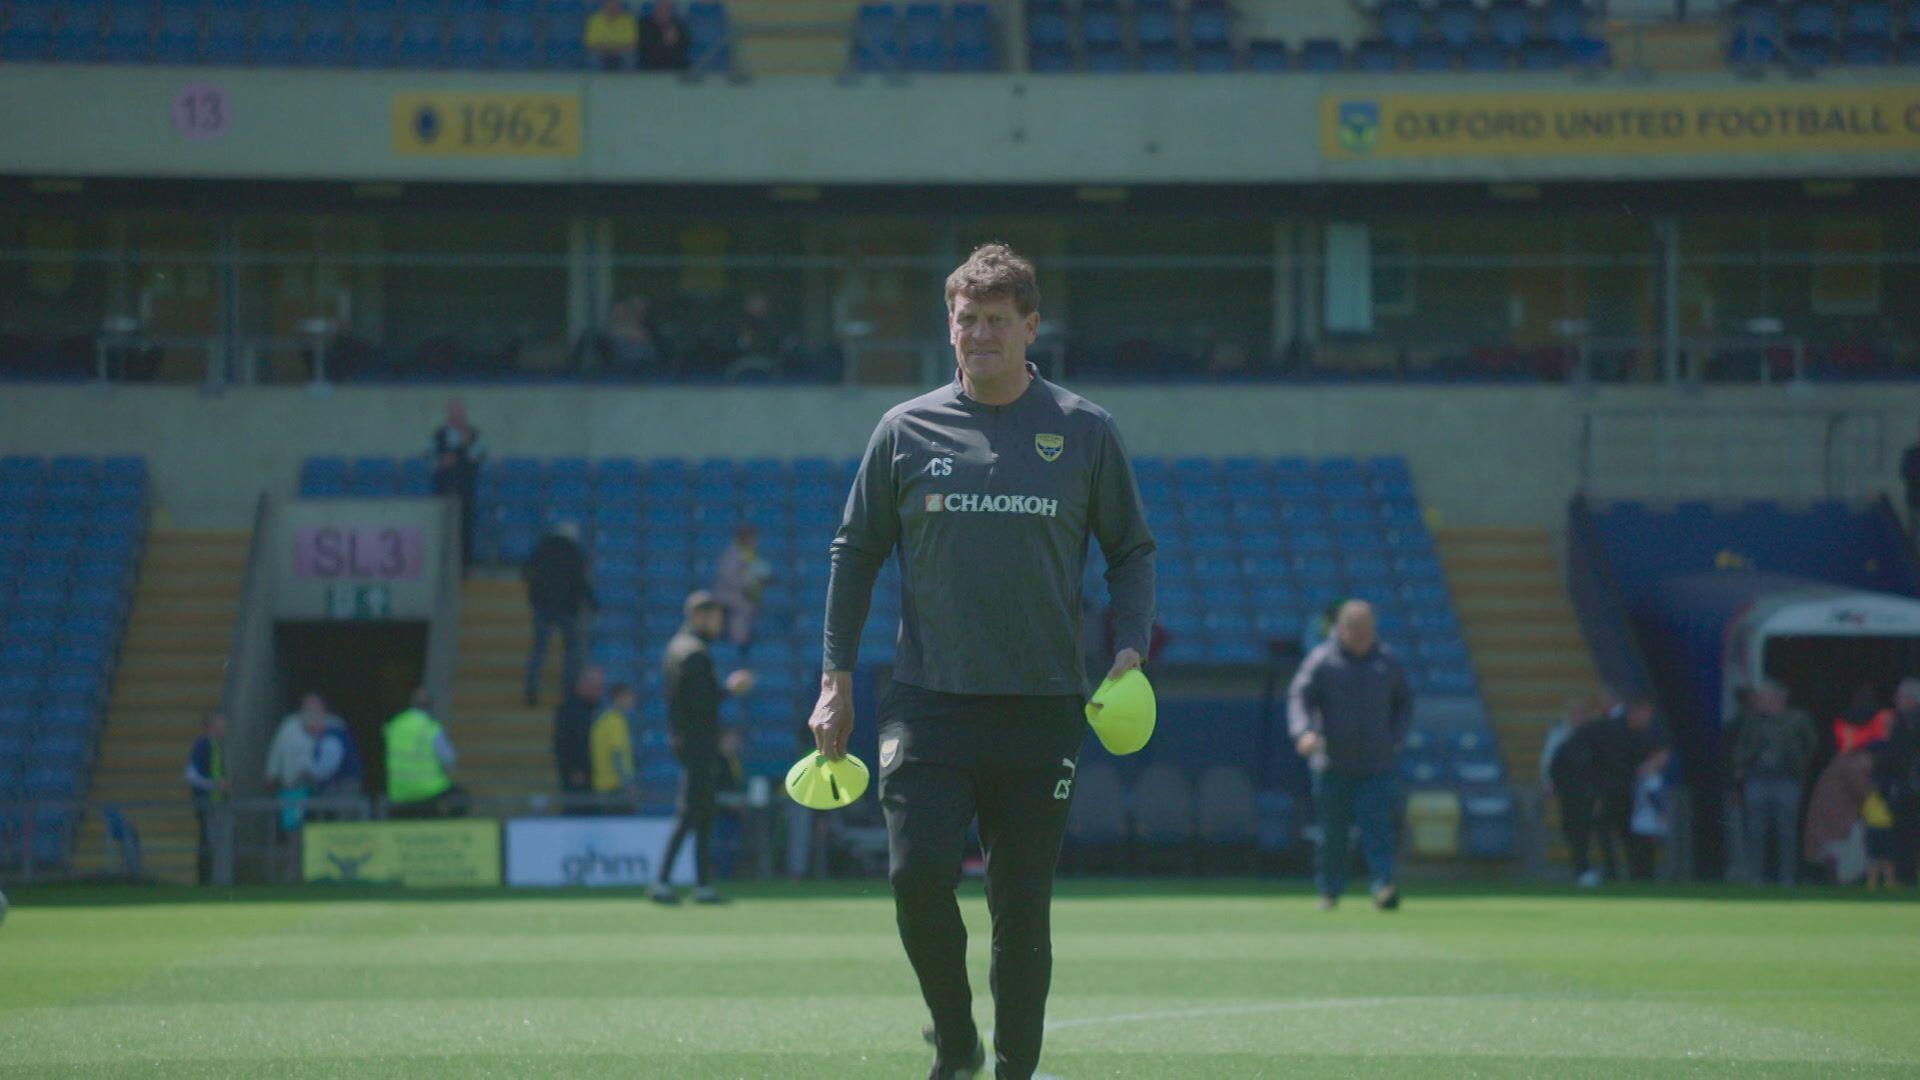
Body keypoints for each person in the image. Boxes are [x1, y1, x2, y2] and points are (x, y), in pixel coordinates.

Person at [806, 244, 1156, 1080]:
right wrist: (835, 681)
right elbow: (854, 554)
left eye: (999, 320)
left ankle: (1012, 1071)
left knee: (1021, 912)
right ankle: (955, 1037)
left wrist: (1130, 648)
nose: (981, 334)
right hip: (928, 701)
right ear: (950, 327)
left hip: (1043, 707)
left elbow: (1131, 551)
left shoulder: (1084, 430)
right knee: (915, 876)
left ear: (1031, 327)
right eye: (968, 320)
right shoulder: (904, 430)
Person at [1289, 600, 1415, 912]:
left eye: (1368, 631)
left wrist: (1396, 738)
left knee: (1379, 830)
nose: (1363, 638)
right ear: (1342, 630)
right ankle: (1329, 891)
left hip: (1377, 763)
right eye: (1357, 632)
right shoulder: (1322, 661)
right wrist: (1304, 731)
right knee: (1333, 834)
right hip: (1332, 763)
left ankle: (1383, 886)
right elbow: (1299, 697)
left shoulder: (1388, 662)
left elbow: (1405, 703)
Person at [651, 591, 754, 905]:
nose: (718, 624)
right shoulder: (693, 653)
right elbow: (699, 702)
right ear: (699, 616)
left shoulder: (678, 648)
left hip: (688, 740)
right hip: (697, 742)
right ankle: (664, 882)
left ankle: (700, 884)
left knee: (702, 811)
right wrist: (729, 690)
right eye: (715, 617)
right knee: (691, 812)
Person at [1726, 680, 1818, 885]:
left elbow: (1812, 744)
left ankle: (1787, 877)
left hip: (1787, 781)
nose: (1761, 702)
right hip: (1757, 780)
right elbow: (1739, 747)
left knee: (1787, 832)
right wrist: (1743, 765)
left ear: (1779, 699)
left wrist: (1800, 764)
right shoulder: (1753, 721)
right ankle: (1756, 876)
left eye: (1766, 698)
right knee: (1756, 831)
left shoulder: (1797, 719)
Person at [522, 521, 595, 706]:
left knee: (539, 649)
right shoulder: (575, 553)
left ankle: (531, 686)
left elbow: (525, 570)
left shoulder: (543, 548)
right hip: (566, 608)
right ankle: (568, 689)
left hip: (542, 605)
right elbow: (581, 581)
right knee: (571, 649)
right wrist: (593, 603)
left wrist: (534, 593)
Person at [1598, 696, 1670, 881]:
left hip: (1632, 795)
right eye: (1646, 713)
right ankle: (1622, 874)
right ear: (1636, 712)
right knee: (1626, 835)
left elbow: (1659, 754)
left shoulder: (1644, 734)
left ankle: (1640, 875)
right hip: (1618, 793)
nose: (1648, 718)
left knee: (1637, 837)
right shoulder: (1618, 732)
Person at [1545, 694, 1606, 887]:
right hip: (1570, 793)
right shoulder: (1561, 736)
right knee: (1573, 830)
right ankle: (1581, 869)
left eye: (1582, 713)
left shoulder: (1595, 737)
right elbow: (1551, 764)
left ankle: (1588, 869)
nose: (1579, 717)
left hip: (1590, 793)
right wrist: (1552, 784)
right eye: (1576, 714)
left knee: (1586, 831)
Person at [385, 688, 465, 819]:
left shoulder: (395, 726)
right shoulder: (431, 728)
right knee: (461, 798)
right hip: (428, 791)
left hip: (399, 792)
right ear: (431, 706)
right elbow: (449, 759)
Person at [1870, 678, 1920, 884]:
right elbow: (1887, 758)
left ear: (1912, 699)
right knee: (1903, 836)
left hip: (1910, 788)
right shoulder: (1895, 724)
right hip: (1902, 791)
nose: (1895, 700)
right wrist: (1882, 784)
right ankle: (1905, 879)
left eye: (1900, 696)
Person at [429, 399, 486, 572]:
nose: (457, 418)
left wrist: (467, 444)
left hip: (466, 492)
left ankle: (464, 569)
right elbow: (428, 460)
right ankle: (442, 568)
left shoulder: (475, 435)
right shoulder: (438, 435)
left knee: (464, 531)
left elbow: (479, 457)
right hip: (443, 491)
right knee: (443, 532)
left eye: (460, 414)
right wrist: (441, 461)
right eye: (454, 414)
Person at [184, 709, 231, 885]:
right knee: (215, 845)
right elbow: (190, 775)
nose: (226, 725)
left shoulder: (216, 745)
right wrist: (215, 785)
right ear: (212, 725)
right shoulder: (203, 744)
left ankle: (222, 881)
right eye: (221, 722)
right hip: (210, 804)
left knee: (220, 845)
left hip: (219, 803)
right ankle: (216, 882)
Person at [712, 523, 774, 653]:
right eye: (752, 538)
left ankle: (743, 645)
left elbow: (763, 570)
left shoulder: (749, 554)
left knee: (748, 608)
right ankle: (738, 646)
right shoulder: (733, 553)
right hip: (729, 595)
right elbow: (729, 577)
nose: (755, 541)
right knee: (742, 610)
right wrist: (749, 582)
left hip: (743, 595)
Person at [553, 665, 605, 807]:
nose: (599, 691)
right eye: (595, 686)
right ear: (582, 685)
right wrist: (572, 770)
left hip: (601, 780)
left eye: (600, 687)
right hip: (578, 780)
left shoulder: (602, 712)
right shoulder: (567, 712)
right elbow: (562, 745)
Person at [590, 682, 640, 813]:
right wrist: (628, 785)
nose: (632, 700)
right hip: (615, 789)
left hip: (604, 787)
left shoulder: (604, 720)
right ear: (619, 697)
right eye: (629, 696)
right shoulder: (615, 722)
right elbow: (617, 756)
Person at [1835, 683, 1893, 754]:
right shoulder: (1842, 722)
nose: (1863, 697)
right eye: (1861, 694)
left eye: (1867, 695)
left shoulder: (1884, 718)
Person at [584, 0, 638, 70]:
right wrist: (610, 47)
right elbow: (591, 43)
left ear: (620, 7)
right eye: (609, 6)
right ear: (603, 7)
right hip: (601, 51)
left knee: (630, 56)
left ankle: (628, 79)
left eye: (615, 6)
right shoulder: (594, 20)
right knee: (593, 57)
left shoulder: (628, 20)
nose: (612, 9)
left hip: (622, 51)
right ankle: (596, 80)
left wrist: (612, 47)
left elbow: (631, 43)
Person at [640, 0, 691, 71]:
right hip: (652, 65)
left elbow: (685, 44)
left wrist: (673, 40)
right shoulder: (645, 25)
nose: (664, 12)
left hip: (675, 65)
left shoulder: (678, 25)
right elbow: (645, 47)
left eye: (667, 9)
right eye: (661, 9)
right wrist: (665, 41)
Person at [1900, 420, 1920, 539]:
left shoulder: (1911, 453)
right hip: (1916, 502)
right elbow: (1908, 474)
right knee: (1915, 538)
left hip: (1914, 501)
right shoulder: (1912, 453)